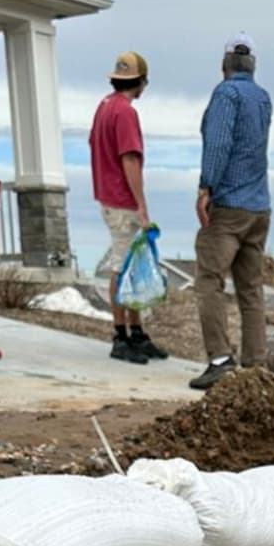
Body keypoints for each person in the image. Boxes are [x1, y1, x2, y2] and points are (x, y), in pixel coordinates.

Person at [188, 32, 273, 390]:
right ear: (252, 64)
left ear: (224, 64)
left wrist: (206, 187)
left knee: (209, 280)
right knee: (251, 290)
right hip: (260, 207)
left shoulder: (226, 94)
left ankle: (220, 359)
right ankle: (255, 366)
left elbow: (219, 143)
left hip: (229, 206)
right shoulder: (263, 98)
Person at [89, 51, 168, 364]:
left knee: (132, 265)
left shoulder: (104, 107)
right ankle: (120, 335)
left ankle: (137, 333)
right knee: (122, 266)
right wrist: (141, 205)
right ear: (141, 81)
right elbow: (130, 158)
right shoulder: (125, 113)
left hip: (108, 196)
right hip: (122, 200)